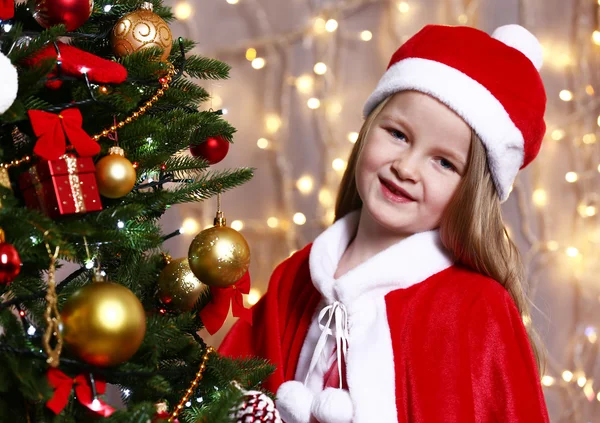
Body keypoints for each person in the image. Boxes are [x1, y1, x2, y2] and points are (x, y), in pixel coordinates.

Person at [219, 24, 550, 423]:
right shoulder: (297, 276)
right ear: (367, 129)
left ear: (472, 192)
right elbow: (226, 393)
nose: (406, 167)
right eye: (398, 134)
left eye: (444, 162)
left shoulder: (478, 309)